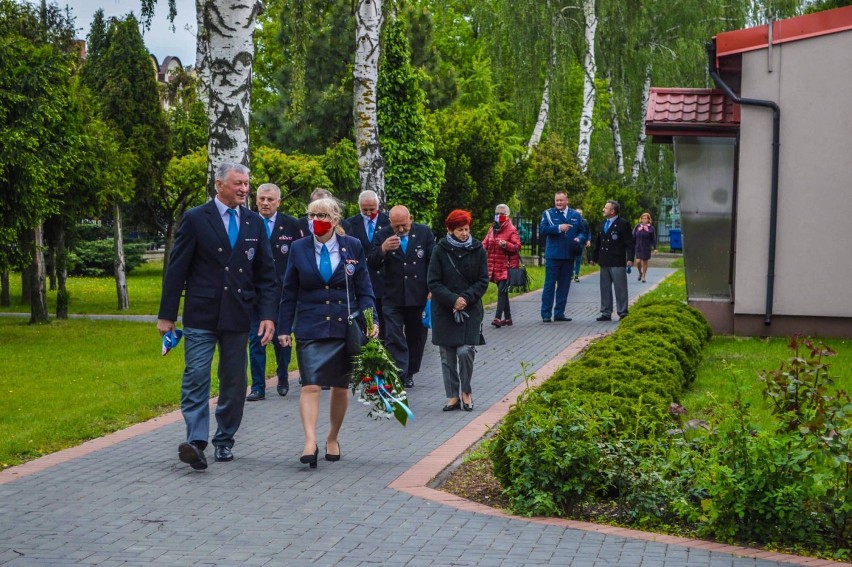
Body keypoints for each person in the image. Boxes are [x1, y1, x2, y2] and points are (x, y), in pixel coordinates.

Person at [157, 163, 277, 470]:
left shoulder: (253, 222)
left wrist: (267, 316)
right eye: (238, 183)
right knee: (196, 376)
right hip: (201, 314)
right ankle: (196, 442)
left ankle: (224, 440)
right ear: (219, 185)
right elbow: (177, 269)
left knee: (235, 382)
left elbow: (266, 274)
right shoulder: (196, 218)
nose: (244, 189)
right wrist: (167, 316)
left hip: (238, 315)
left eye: (247, 184)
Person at [277, 197, 378, 468]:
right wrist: (284, 328)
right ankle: (310, 441)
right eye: (311, 215)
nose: (315, 220)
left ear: (334, 219)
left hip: (344, 326)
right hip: (310, 325)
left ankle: (332, 437)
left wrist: (371, 320)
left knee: (340, 386)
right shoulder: (298, 249)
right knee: (310, 384)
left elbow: (365, 289)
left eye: (321, 215)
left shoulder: (352, 247)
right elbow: (289, 292)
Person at [246, 183, 304, 401]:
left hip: (282, 294)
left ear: (278, 202)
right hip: (256, 295)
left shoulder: (290, 224)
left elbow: (299, 257)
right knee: (256, 339)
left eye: (270, 199)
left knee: (282, 339)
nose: (265, 203)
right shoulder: (248, 221)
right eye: (261, 199)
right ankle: (258, 387)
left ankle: (282, 375)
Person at [427, 210, 489, 413]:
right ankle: (452, 395)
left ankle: (466, 391)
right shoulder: (440, 250)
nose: (464, 233)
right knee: (447, 355)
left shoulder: (478, 249)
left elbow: (483, 280)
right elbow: (433, 282)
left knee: (465, 351)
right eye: (460, 230)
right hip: (444, 309)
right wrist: (453, 299)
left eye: (466, 229)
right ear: (450, 230)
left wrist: (465, 298)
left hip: (470, 309)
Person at [368, 205, 434, 389]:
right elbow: (372, 262)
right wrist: (383, 249)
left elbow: (432, 262)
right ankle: (398, 372)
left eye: (404, 225)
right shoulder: (383, 235)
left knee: (416, 336)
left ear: (410, 219)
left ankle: (410, 371)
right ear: (390, 223)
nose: (401, 229)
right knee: (393, 335)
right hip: (392, 295)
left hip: (417, 294)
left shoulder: (424, 233)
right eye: (397, 226)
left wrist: (431, 289)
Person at [343, 190, 390, 337]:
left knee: (386, 326)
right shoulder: (350, 223)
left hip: (385, 281)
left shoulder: (388, 221)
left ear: (378, 205)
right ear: (359, 206)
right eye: (365, 210)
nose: (369, 213)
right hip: (362, 278)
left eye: (372, 209)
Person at [539, 191, 584, 322]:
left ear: (567, 200)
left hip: (569, 256)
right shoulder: (548, 214)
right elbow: (543, 229)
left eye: (561, 200)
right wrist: (559, 227)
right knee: (549, 285)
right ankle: (546, 314)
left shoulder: (575, 215)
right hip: (553, 256)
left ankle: (559, 313)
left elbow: (582, 232)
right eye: (557, 200)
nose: (559, 203)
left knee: (564, 286)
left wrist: (578, 238)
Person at [591, 200, 634, 321]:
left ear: (612, 211)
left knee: (620, 288)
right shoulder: (603, 223)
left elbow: (629, 243)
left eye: (606, 208)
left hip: (617, 260)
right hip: (604, 260)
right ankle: (606, 312)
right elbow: (598, 242)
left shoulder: (623, 224)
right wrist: (594, 257)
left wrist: (630, 258)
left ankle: (622, 312)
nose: (603, 210)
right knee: (605, 287)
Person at [482, 203, 521, 327]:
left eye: (502, 213)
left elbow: (517, 246)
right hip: (494, 265)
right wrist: (479, 249)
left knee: (502, 291)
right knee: (503, 291)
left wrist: (506, 245)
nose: (499, 215)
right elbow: (486, 242)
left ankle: (498, 318)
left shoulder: (511, 229)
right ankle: (508, 318)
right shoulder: (492, 228)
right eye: (497, 213)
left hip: (507, 266)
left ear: (507, 215)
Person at [632, 211, 656, 283]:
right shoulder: (637, 227)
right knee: (638, 261)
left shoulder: (651, 228)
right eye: (643, 218)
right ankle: (640, 273)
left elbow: (653, 238)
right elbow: (633, 236)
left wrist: (655, 248)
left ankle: (643, 276)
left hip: (646, 247)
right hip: (638, 247)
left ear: (649, 219)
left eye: (646, 218)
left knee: (645, 262)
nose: (644, 220)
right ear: (641, 219)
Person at [572, 208, 591, 283]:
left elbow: (588, 232)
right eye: (578, 213)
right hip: (572, 244)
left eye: (580, 213)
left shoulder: (584, 222)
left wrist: (588, 240)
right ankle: (570, 273)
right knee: (571, 259)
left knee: (578, 260)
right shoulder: (571, 221)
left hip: (581, 244)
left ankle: (576, 275)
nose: (579, 215)